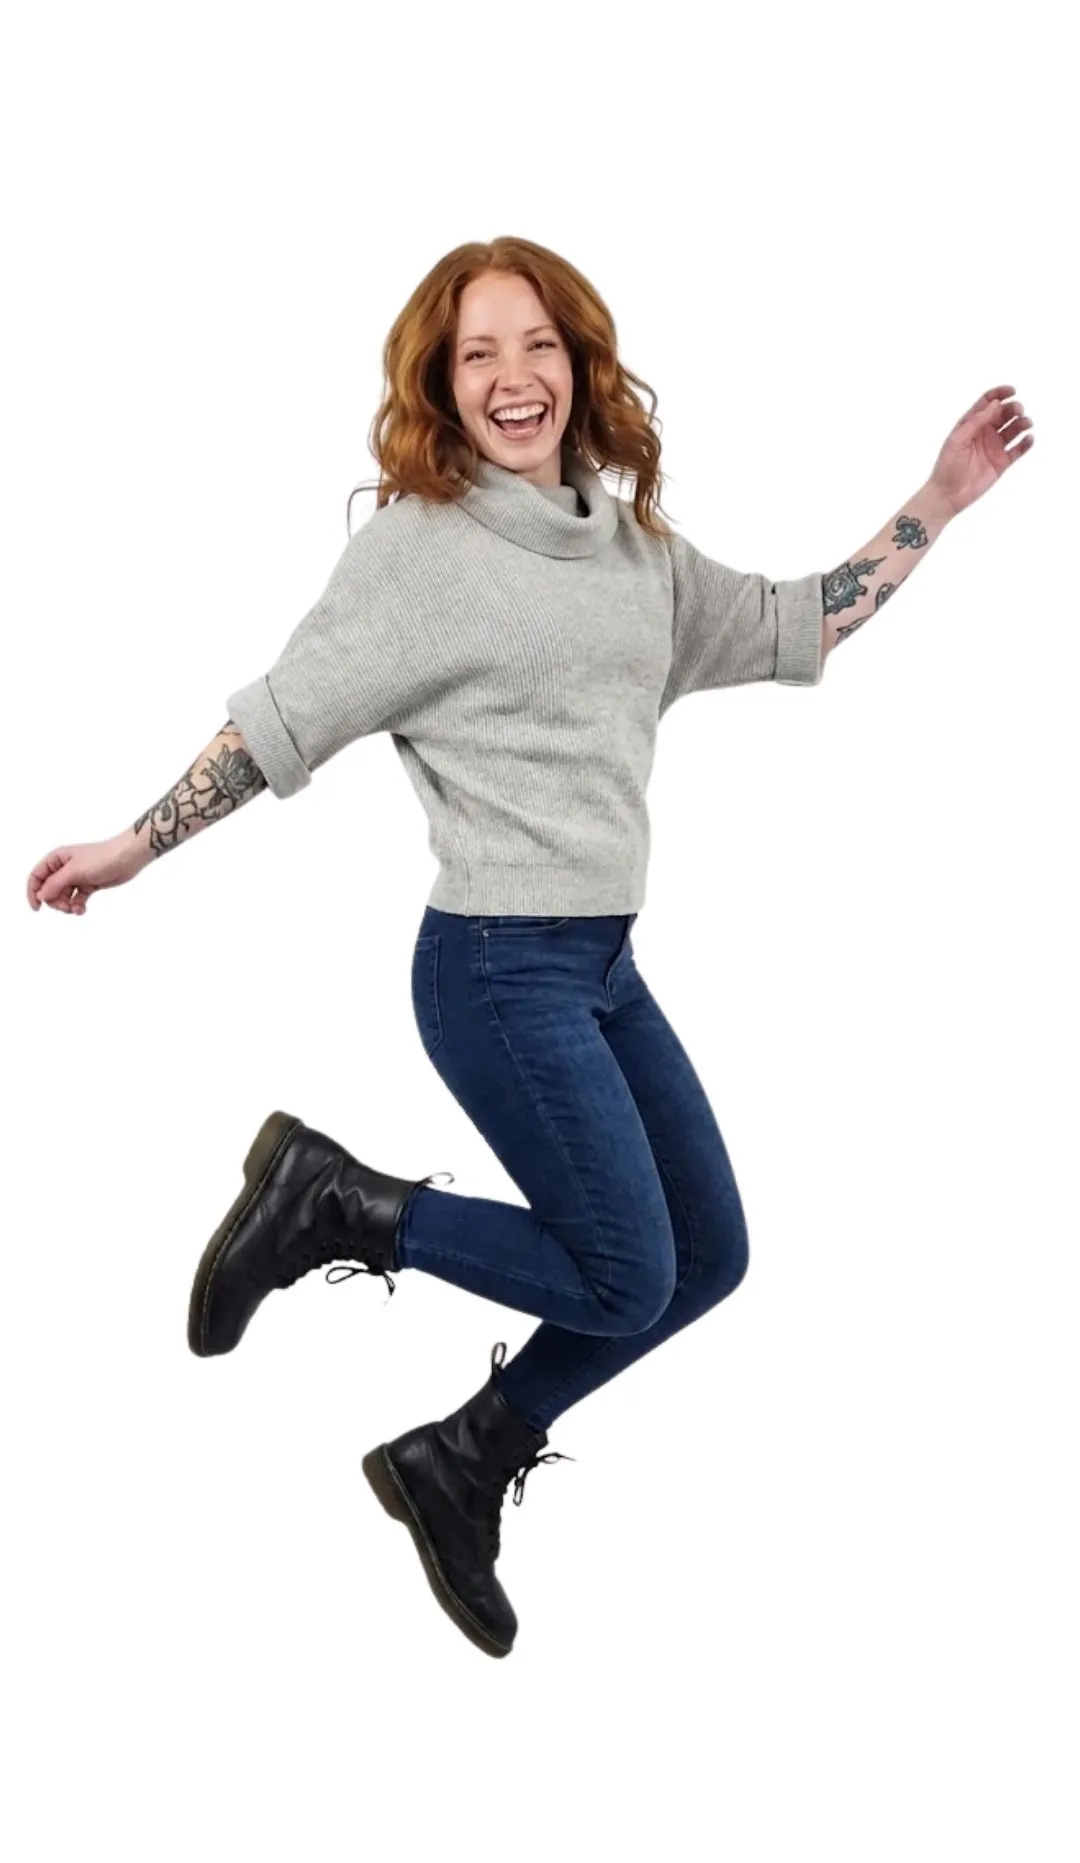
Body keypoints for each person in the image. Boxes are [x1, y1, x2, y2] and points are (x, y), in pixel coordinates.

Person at [25, 235, 1034, 1660]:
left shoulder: (633, 557)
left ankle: (462, 1456)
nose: (513, 377)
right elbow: (280, 720)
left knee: (708, 1257)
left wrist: (938, 500)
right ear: (442, 386)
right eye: (478, 353)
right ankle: (338, 1205)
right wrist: (135, 844)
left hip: (601, 968)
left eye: (538, 344)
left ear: (580, 364)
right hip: (494, 970)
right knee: (626, 1273)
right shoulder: (420, 553)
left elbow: (799, 619)